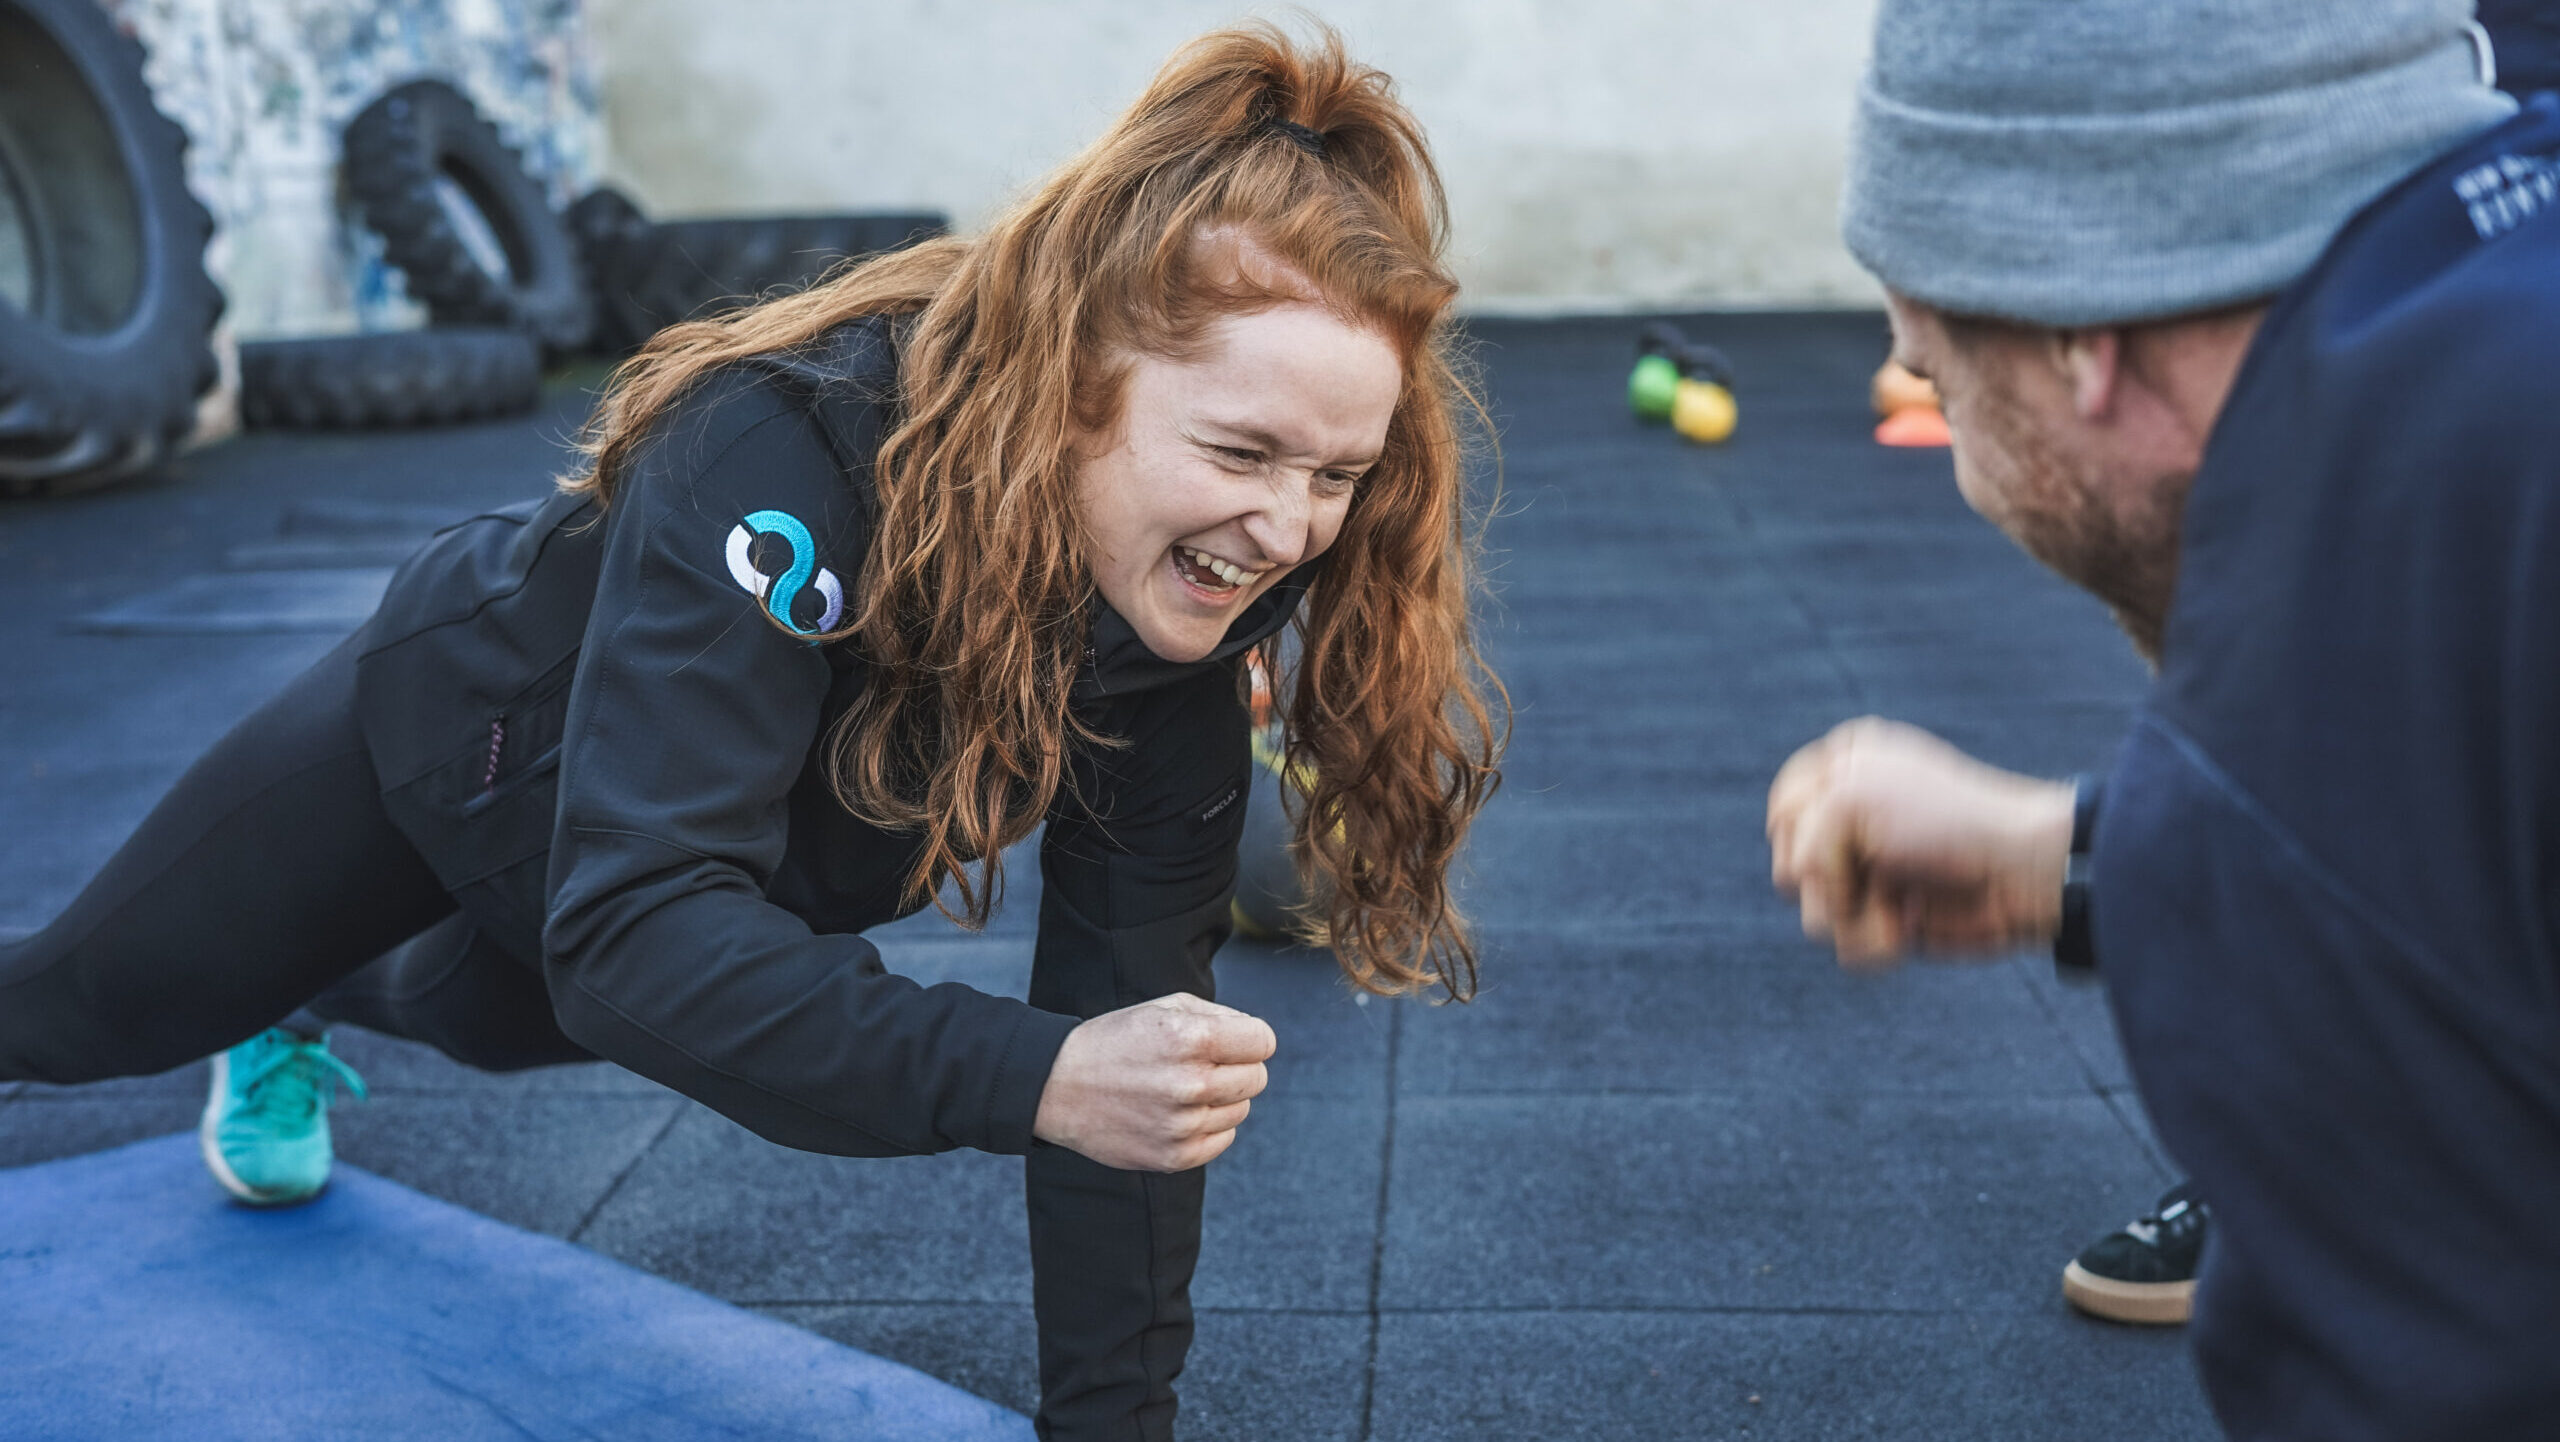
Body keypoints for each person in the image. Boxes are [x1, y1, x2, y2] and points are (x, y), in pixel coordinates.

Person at [0, 25, 1502, 1440]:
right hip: (450, 749)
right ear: (1081, 383)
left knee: (490, 1021)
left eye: (1335, 474)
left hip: (664, 891)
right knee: (86, 1010)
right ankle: (243, 983)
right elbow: (641, 931)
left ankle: (300, 997)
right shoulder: (786, 446)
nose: (1289, 526)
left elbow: (1132, 1078)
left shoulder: (1180, 626)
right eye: (1243, 451)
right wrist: (1030, 1074)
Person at [1766, 1, 2560, 1437]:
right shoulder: (2498, 309)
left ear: (2081, 338)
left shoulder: (2392, 591)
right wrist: (2076, 854)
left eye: (1946, 375)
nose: (1962, 462)